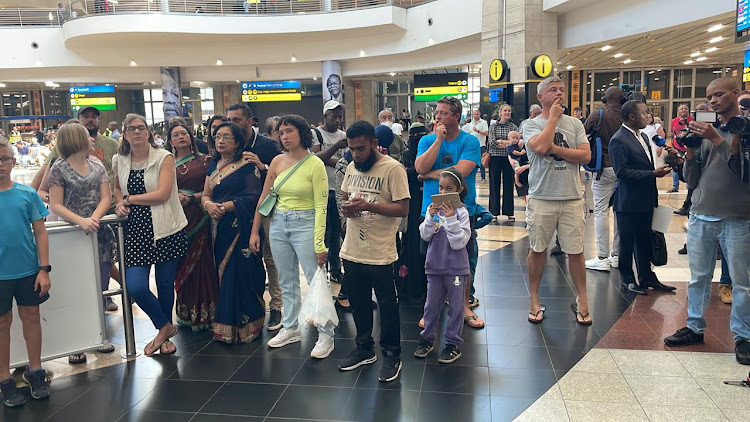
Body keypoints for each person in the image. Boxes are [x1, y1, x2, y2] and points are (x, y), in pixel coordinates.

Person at [663, 78, 750, 366]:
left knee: (742, 282)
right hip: (701, 213)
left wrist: (715, 138)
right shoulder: (705, 129)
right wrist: (690, 149)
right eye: (709, 96)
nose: (712, 101)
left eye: (719, 94)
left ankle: (743, 337)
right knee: (698, 277)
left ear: (736, 94)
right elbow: (693, 177)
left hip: (738, 217)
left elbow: (743, 171)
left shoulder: (745, 128)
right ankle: (694, 327)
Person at [249, 115, 331, 357]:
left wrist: (319, 242)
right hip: (278, 224)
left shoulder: (314, 164)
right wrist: (255, 230)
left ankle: (326, 334)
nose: (284, 136)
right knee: (286, 279)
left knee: (316, 279)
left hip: (305, 223)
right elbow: (264, 198)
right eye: (281, 132)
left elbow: (321, 206)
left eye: (289, 131)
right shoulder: (275, 161)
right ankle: (291, 327)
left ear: (302, 133)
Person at [336, 120, 410, 381]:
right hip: (353, 248)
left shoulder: (393, 169)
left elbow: (403, 209)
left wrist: (368, 206)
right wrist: (347, 208)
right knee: (358, 303)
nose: (356, 154)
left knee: (388, 305)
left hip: (382, 250)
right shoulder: (353, 167)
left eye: (361, 148)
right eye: (352, 149)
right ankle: (364, 347)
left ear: (374, 144)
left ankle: (392, 354)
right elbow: (345, 196)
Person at [113, 114, 188, 356]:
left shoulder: (163, 157)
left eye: (141, 128)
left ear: (148, 133)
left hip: (166, 228)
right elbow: (116, 186)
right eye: (131, 129)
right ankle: (165, 327)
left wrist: (129, 199)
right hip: (136, 231)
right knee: (135, 285)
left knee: (166, 285)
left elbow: (163, 193)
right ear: (124, 134)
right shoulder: (119, 159)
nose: (136, 132)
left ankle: (164, 340)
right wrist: (118, 203)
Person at [523, 77, 592, 325]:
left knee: (576, 250)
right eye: (553, 90)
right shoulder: (530, 124)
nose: (559, 94)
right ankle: (534, 298)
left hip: (572, 197)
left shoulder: (575, 124)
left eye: (562, 90)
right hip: (542, 196)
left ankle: (582, 300)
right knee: (538, 249)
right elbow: (540, 147)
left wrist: (556, 149)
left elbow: (585, 155)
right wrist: (552, 119)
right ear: (541, 97)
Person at [47, 123, 118, 363]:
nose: (92, 140)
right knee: (75, 290)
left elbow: (106, 197)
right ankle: (77, 342)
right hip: (71, 235)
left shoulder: (97, 166)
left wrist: (94, 219)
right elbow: (55, 204)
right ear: (76, 140)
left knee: (100, 286)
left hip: (98, 233)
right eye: (87, 137)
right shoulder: (59, 169)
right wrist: (81, 222)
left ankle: (99, 336)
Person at [415, 96, 483, 329]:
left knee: (464, 260)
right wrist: (437, 141)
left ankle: (463, 305)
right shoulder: (427, 140)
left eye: (444, 113)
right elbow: (420, 167)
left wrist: (432, 174)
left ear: (456, 116)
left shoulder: (470, 141)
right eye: (437, 113)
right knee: (431, 260)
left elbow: (461, 173)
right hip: (431, 210)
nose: (438, 117)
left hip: (463, 210)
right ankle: (432, 307)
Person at [200, 122, 265, 343]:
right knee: (223, 273)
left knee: (241, 273)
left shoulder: (247, 165)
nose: (221, 141)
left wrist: (224, 207)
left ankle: (248, 324)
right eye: (218, 136)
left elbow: (254, 197)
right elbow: (206, 194)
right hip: (218, 228)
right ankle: (225, 326)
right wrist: (209, 206)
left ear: (237, 142)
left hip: (242, 227)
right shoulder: (213, 165)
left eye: (227, 137)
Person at [0, 138, 52, 408]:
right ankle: (5, 379)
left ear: (13, 161)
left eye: (4, 159)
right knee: (2, 324)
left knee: (31, 316)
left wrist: (44, 269)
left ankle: (35, 370)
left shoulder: (26, 194)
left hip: (28, 270)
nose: (0, 165)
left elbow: (40, 232)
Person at [226, 104, 284, 331]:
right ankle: (250, 304)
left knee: (270, 257)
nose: (233, 123)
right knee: (245, 258)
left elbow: (285, 173)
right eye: (230, 119)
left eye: (238, 120)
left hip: (267, 209)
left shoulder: (267, 145)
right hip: (238, 210)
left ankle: (277, 306)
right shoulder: (228, 144)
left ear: (250, 122)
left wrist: (263, 166)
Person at [609, 101, 676, 295]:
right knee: (627, 242)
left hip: (646, 198)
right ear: (631, 116)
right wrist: (653, 174)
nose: (648, 116)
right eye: (644, 112)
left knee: (644, 240)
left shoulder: (644, 137)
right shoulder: (618, 140)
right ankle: (627, 279)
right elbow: (622, 173)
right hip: (628, 201)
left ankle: (647, 276)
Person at [415, 167, 471, 364]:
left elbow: (459, 243)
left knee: (456, 307)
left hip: (455, 269)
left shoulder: (462, 212)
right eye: (441, 188)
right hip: (434, 267)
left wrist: (450, 218)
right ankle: (427, 338)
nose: (444, 193)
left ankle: (452, 344)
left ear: (459, 190)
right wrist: (430, 217)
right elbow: (424, 235)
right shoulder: (434, 210)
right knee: (431, 306)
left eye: (449, 189)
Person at [166, 123, 218, 332]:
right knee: (181, 265)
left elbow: (213, 189)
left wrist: (191, 198)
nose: (181, 137)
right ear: (170, 141)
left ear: (191, 137)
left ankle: (207, 312)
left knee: (203, 264)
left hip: (201, 218)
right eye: (176, 135)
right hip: (175, 221)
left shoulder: (205, 161)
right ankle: (186, 312)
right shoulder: (165, 164)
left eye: (184, 133)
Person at [583, 87, 624, 272]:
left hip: (603, 168)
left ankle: (602, 257)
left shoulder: (598, 115)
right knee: (619, 212)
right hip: (624, 169)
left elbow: (583, 134)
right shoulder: (628, 114)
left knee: (601, 211)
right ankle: (617, 255)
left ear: (604, 99)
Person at [310, 101, 347, 286]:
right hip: (322, 190)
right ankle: (320, 271)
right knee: (323, 233)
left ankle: (335, 270)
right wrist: (336, 149)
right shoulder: (316, 134)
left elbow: (348, 162)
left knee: (336, 233)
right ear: (325, 116)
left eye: (340, 116)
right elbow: (316, 159)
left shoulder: (344, 136)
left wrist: (331, 159)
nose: (338, 120)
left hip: (339, 189)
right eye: (334, 116)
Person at [488, 104, 518, 221]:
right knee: (494, 184)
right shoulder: (493, 127)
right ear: (500, 112)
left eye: (509, 111)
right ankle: (493, 212)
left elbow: (515, 143)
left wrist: (500, 141)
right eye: (505, 111)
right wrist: (507, 142)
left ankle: (509, 212)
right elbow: (492, 142)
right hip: (495, 158)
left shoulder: (513, 127)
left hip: (509, 158)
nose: (507, 113)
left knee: (509, 184)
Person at [668, 103, 692, 193]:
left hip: (689, 148)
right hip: (677, 148)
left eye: (685, 109)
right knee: (675, 167)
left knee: (688, 167)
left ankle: (689, 187)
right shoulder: (674, 121)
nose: (683, 110)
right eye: (681, 109)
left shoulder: (692, 120)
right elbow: (672, 134)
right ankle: (675, 187)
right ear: (678, 111)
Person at [464, 109, 489, 182]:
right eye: (474, 114)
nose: (476, 116)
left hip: (481, 145)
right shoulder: (470, 124)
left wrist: (478, 131)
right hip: (472, 146)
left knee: (482, 163)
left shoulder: (483, 123)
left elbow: (486, 133)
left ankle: (483, 177)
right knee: (472, 162)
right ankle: (472, 177)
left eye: (477, 114)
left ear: (480, 114)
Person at [506, 131, 529, 201]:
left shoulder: (516, 145)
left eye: (516, 138)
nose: (515, 140)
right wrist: (521, 153)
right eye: (513, 138)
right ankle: (517, 181)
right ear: (509, 139)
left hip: (520, 160)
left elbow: (520, 146)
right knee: (517, 170)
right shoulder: (510, 146)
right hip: (515, 160)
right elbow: (514, 152)